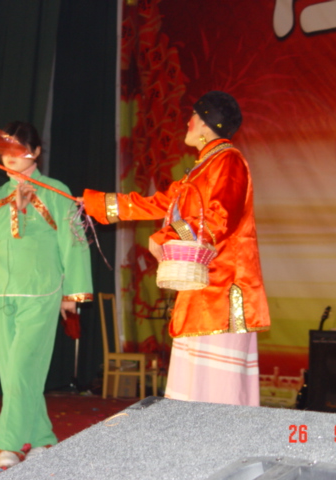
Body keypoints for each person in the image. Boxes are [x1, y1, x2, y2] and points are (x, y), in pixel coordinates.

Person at [79, 91, 270, 406]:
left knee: (219, 388)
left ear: (207, 123)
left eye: (193, 115)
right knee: (194, 385)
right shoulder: (201, 169)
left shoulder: (229, 161)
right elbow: (157, 204)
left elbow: (221, 218)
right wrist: (95, 204)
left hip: (223, 292)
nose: (188, 121)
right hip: (200, 288)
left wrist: (167, 235)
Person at [0, 121, 93, 468]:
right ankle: (42, 438)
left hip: (41, 292)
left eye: (19, 149)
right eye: (5, 150)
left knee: (22, 368)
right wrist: (13, 208)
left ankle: (7, 445)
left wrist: (71, 293)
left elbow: (74, 243)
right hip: (0, 293)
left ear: (36, 152)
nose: (10, 157)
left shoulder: (57, 191)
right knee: (14, 374)